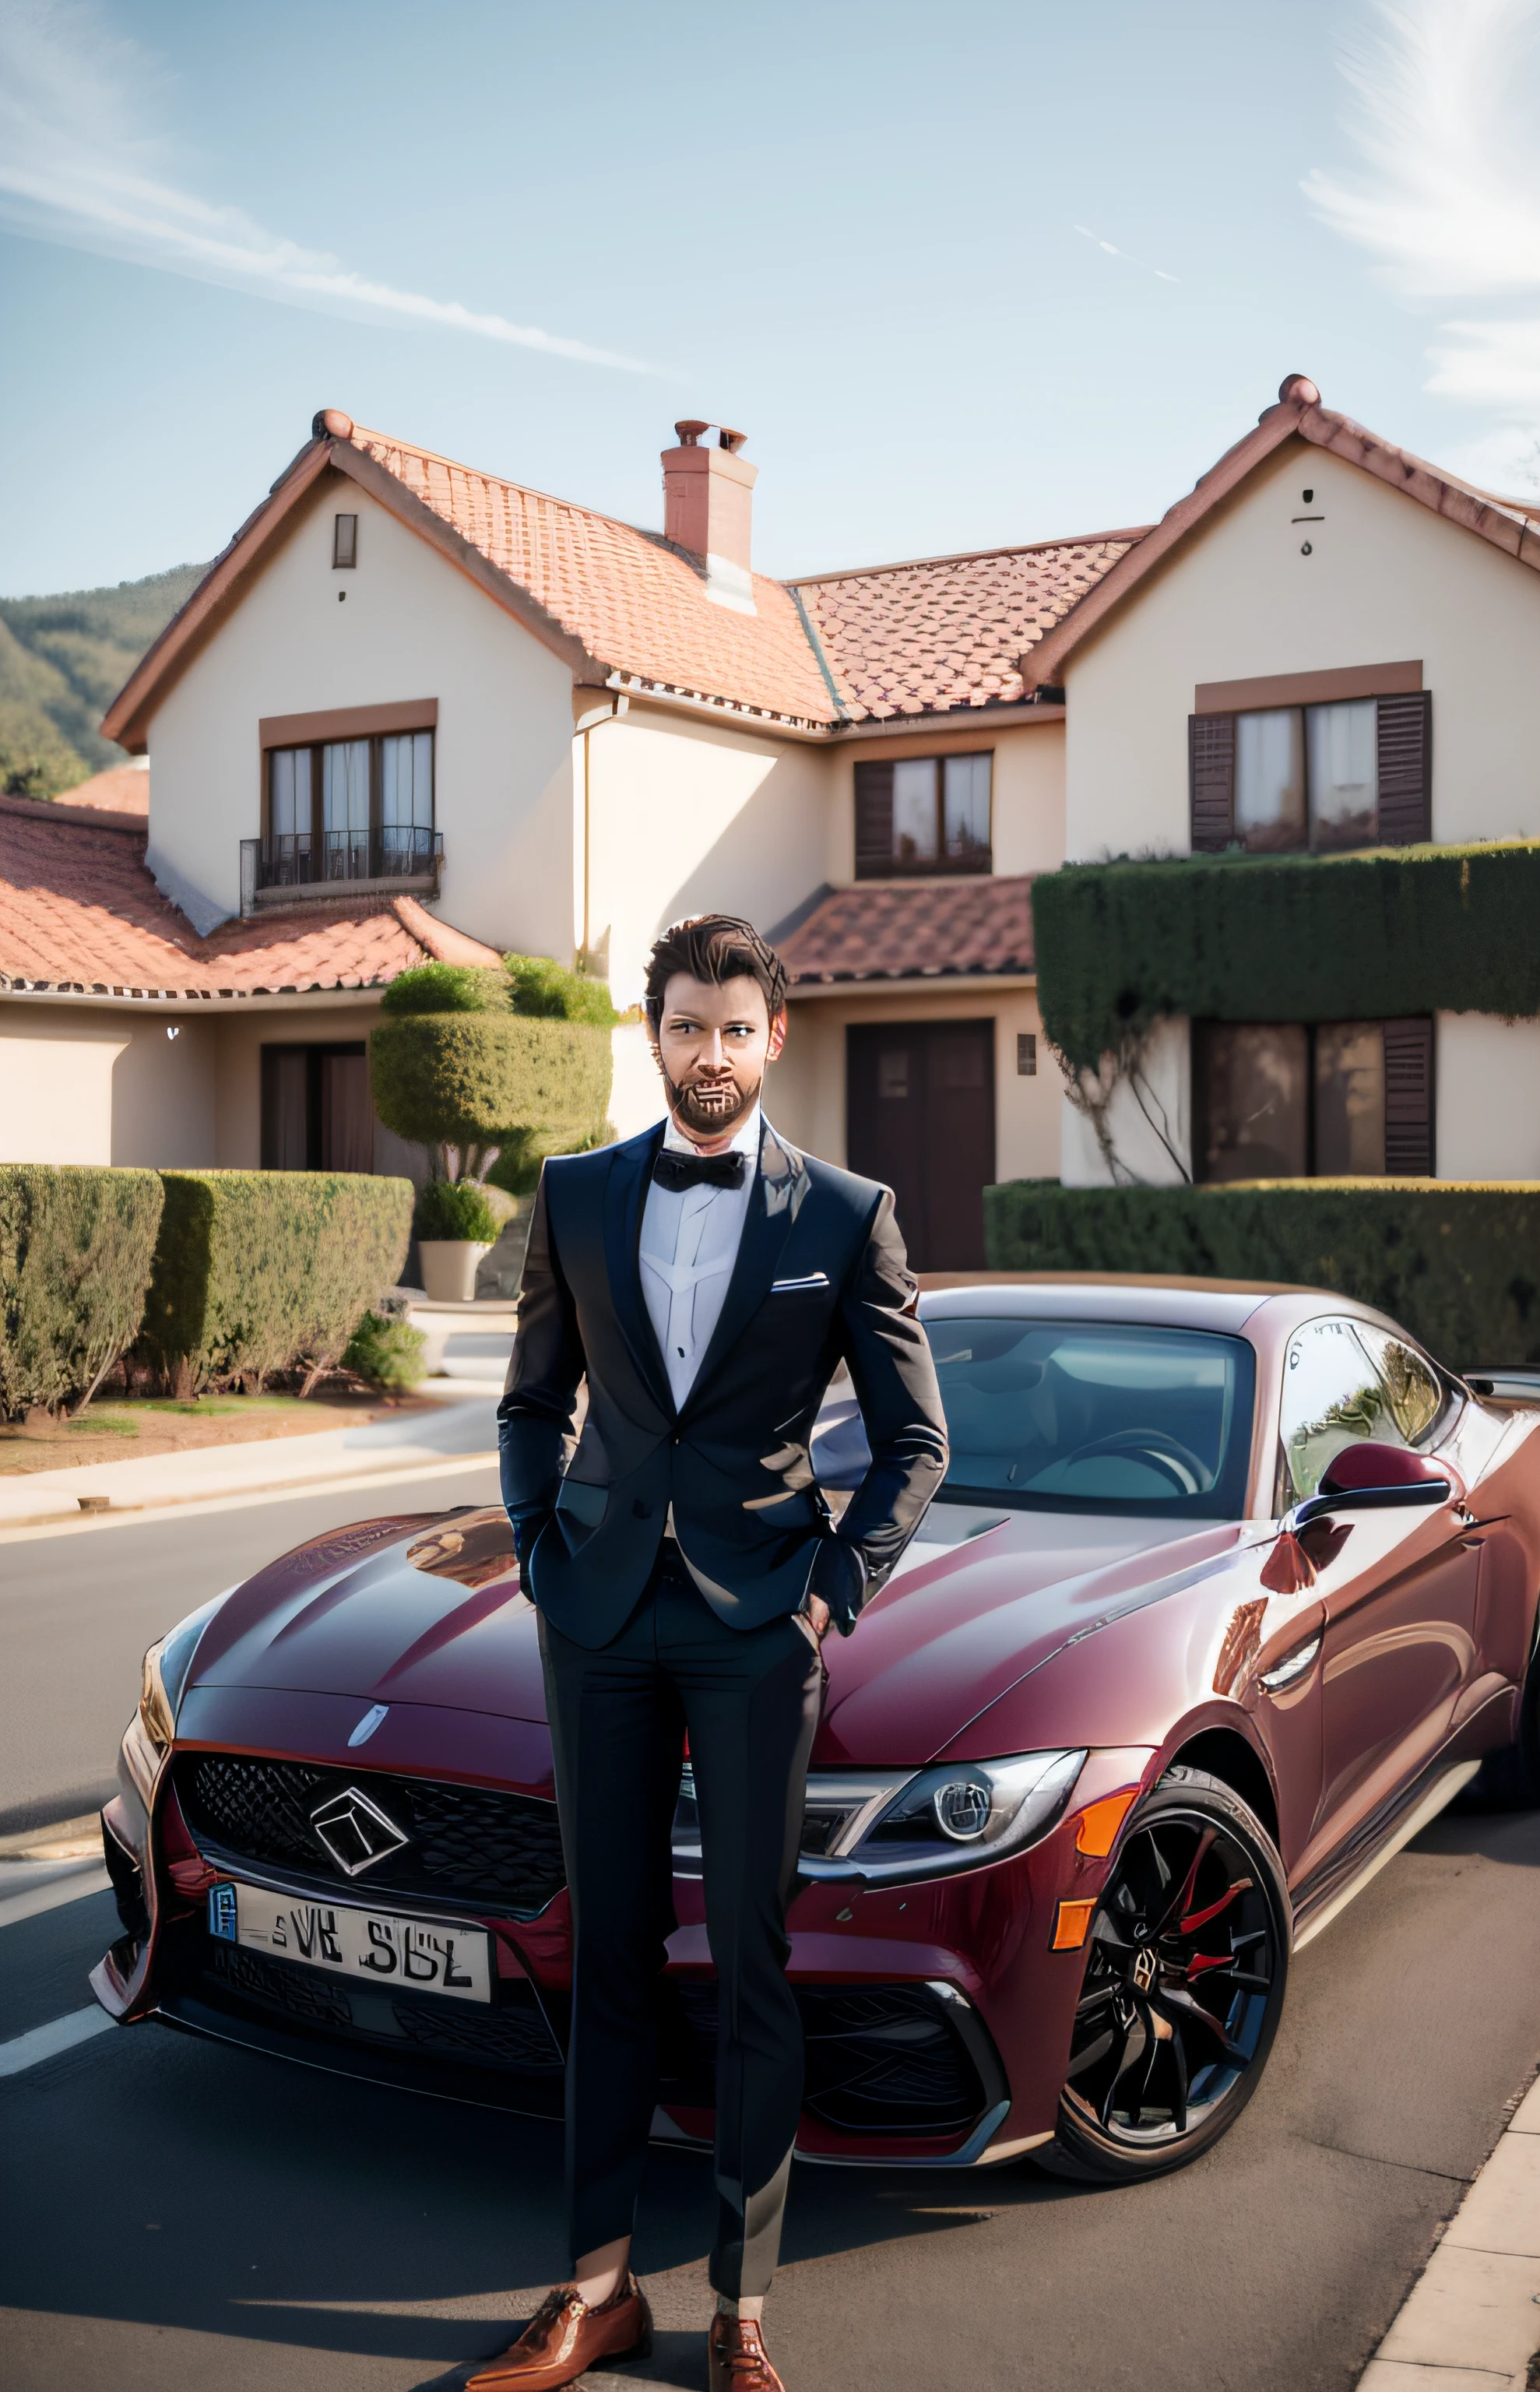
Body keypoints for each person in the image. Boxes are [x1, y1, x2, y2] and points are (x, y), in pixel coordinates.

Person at [474, 914, 948, 2392]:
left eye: (738, 1028)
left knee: (748, 1966)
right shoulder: (574, 1194)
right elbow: (526, 1404)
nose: (713, 1052)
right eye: (689, 1025)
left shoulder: (846, 1214)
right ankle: (597, 2290)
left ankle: (740, 2305)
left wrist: (831, 1591)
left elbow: (916, 1441)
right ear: (653, 1029)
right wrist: (545, 1551)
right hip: (599, 1616)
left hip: (761, 1627)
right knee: (605, 1953)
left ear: (775, 1039)